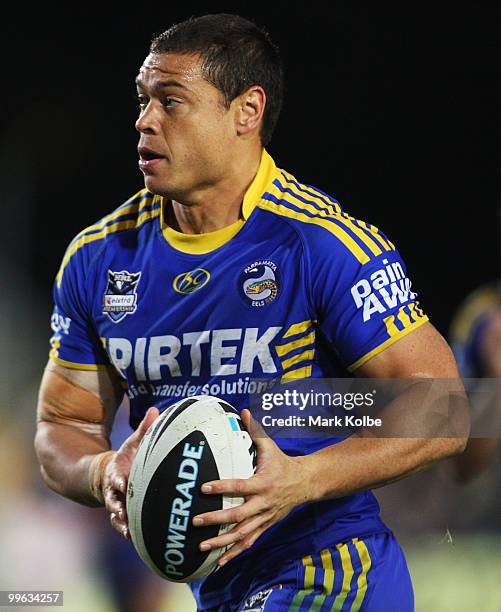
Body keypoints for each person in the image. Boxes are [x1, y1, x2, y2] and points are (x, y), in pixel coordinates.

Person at [35, 13, 468, 611]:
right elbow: (62, 427)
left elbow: (444, 408)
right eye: (142, 100)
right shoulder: (95, 259)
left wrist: (301, 480)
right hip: (219, 588)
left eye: (171, 101)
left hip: (330, 572)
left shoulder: (320, 243)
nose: (144, 121)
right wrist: (102, 469)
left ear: (247, 111)